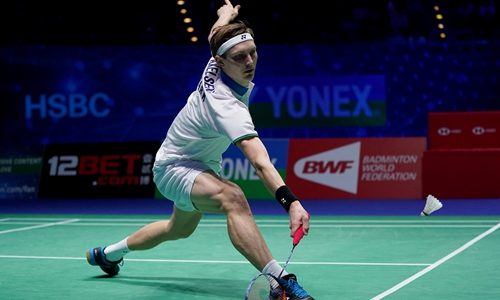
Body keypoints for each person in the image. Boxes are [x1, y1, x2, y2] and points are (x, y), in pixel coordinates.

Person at [86, 1, 314, 299]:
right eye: (239, 57)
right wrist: (292, 203)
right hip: (174, 167)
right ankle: (278, 279)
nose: (249, 62)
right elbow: (260, 163)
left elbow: (215, 34)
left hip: (201, 165)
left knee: (177, 229)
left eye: (253, 52)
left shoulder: (217, 53)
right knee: (232, 197)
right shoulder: (228, 107)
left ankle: (108, 254)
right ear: (221, 62)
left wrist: (226, 15)